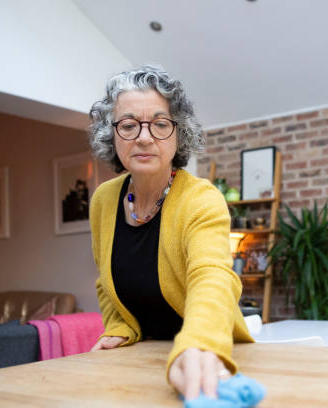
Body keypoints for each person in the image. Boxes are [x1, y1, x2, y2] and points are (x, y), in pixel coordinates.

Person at [87, 64, 253, 400]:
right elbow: (105, 282)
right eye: (129, 125)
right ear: (112, 134)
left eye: (160, 124)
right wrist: (120, 328)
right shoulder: (103, 200)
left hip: (212, 357)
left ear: (179, 135)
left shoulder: (202, 198)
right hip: (140, 364)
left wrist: (200, 344)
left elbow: (213, 278)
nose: (144, 137)